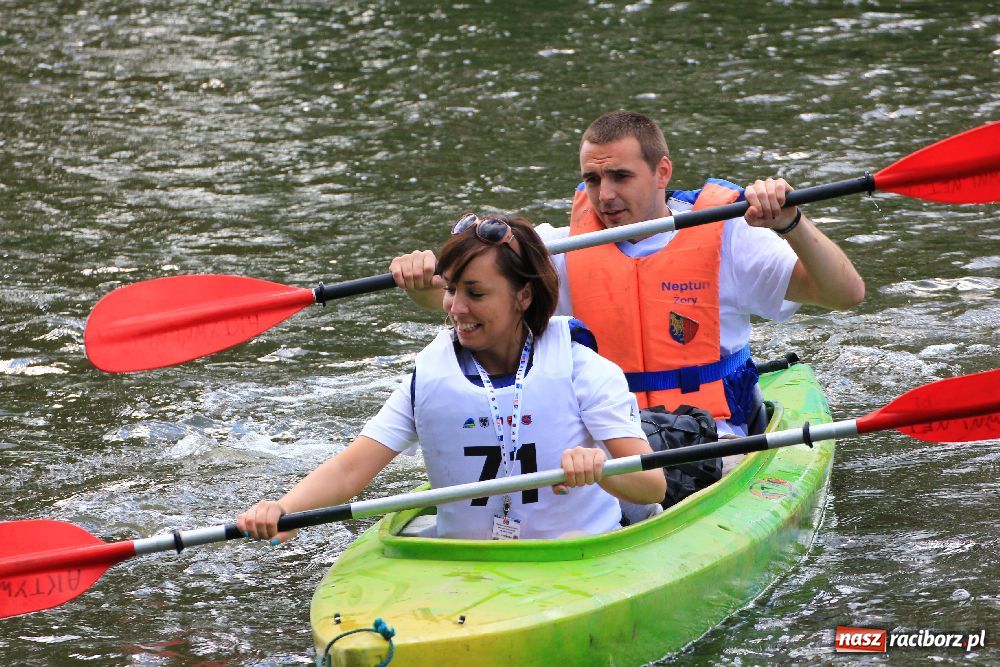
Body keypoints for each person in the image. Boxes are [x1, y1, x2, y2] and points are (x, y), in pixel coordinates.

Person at [390, 110, 865, 437]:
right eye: (592, 180)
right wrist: (422, 284)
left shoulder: (728, 234)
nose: (605, 195)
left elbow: (846, 294)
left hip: (715, 437)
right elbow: (463, 302)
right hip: (603, 437)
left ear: (661, 172)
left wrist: (792, 223)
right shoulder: (562, 247)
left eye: (620, 176)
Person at [239, 214, 665, 542]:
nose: (456, 309)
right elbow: (351, 470)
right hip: (463, 560)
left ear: (524, 296)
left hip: (580, 554)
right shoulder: (429, 375)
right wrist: (284, 509)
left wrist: (603, 468)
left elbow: (651, 485)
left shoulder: (582, 368)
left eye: (476, 294)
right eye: (452, 290)